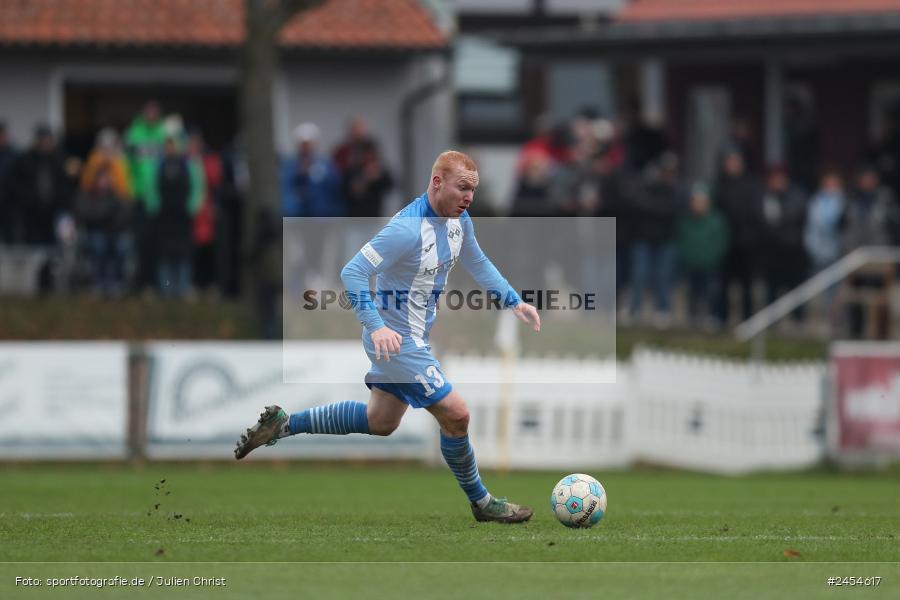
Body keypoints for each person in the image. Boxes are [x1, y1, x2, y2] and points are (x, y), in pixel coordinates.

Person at [235, 151, 541, 524]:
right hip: (396, 341)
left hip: (410, 339)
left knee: (381, 421)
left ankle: (284, 424)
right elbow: (352, 272)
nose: (469, 198)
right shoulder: (407, 230)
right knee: (457, 415)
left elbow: (477, 261)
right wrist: (376, 326)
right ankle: (482, 502)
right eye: (463, 188)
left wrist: (513, 300)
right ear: (437, 182)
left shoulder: (460, 223)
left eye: (473, 190)